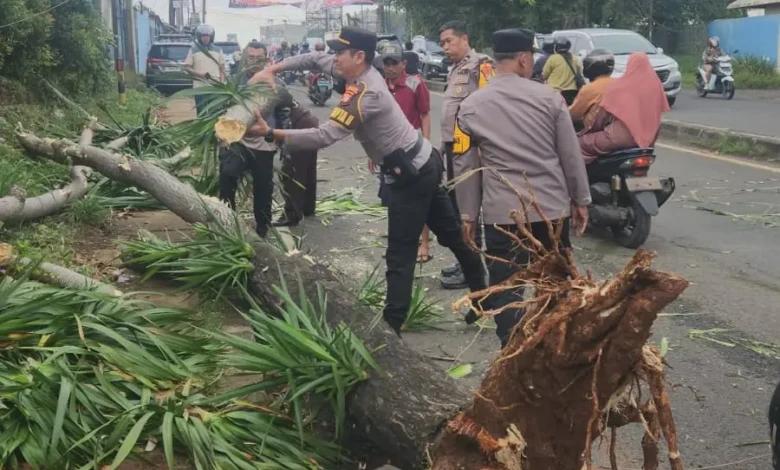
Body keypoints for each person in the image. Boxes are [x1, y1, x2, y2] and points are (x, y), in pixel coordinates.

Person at [248, 27, 486, 335]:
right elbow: (313, 58)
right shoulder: (347, 67)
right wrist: (272, 68)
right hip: (420, 162)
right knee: (451, 234)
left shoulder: (366, 93)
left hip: (411, 175)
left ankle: (392, 326)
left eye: (340, 54)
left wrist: (270, 133)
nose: (334, 59)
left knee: (400, 251)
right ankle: (482, 295)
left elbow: (325, 135)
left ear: (359, 57)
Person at [454, 28, 591, 347]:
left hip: (503, 216)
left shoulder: (470, 106)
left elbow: (464, 164)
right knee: (556, 284)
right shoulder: (551, 99)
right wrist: (580, 199)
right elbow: (570, 154)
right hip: (551, 212)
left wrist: (467, 214)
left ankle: (512, 349)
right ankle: (555, 344)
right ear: (524, 59)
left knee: (505, 287)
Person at [439, 20, 494, 290]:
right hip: (454, 148)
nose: (445, 47)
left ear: (465, 39)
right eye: (442, 43)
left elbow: (488, 104)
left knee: (467, 208)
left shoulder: (480, 65)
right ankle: (467, 261)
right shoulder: (456, 69)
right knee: (457, 206)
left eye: (449, 41)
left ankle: (474, 266)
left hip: (470, 149)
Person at [218, 41, 294, 237]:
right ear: (244, 58)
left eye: (259, 58)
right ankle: (228, 223)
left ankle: (262, 229)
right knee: (227, 177)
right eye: (251, 57)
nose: (254, 62)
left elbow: (286, 109)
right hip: (238, 140)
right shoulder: (235, 81)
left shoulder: (274, 83)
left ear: (266, 59)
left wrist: (281, 138)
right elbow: (222, 107)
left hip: (263, 143)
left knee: (263, 188)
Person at [379, 44, 433, 263]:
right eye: (386, 63)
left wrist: (427, 145)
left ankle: (425, 243)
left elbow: (425, 114)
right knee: (394, 200)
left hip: (413, 149)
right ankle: (399, 245)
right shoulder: (380, 87)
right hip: (388, 152)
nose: (390, 67)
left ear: (403, 64)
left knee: (420, 198)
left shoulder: (415, 84)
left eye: (394, 62)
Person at [579, 53, 670, 163]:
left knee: (579, 143)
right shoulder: (656, 86)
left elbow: (601, 116)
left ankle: (580, 178)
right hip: (649, 140)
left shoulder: (621, 87)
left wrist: (587, 130)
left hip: (621, 139)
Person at [184, 24, 225, 115]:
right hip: (199, 87)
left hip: (215, 86)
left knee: (215, 111)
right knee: (201, 111)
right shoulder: (193, 49)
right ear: (199, 37)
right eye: (203, 36)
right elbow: (187, 67)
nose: (205, 38)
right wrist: (200, 74)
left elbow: (222, 68)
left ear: (211, 37)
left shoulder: (218, 50)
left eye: (207, 36)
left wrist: (222, 83)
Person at [569, 49, 615, 131]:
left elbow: (573, 115)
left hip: (594, 130)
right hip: (614, 128)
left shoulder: (589, 89)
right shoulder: (618, 84)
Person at [542, 37, 583, 105]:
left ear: (556, 47)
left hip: (556, 92)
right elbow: (580, 73)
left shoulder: (553, 58)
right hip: (572, 93)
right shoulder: (575, 59)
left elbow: (544, 75)